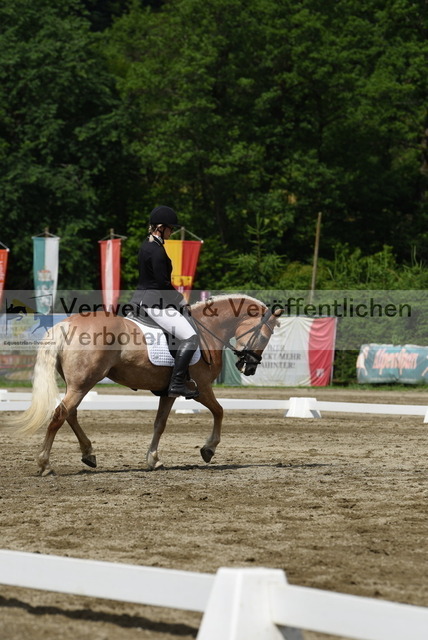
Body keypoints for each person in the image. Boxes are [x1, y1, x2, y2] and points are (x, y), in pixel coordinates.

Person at [130, 205, 199, 399]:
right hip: (154, 303)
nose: (172, 232)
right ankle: (177, 384)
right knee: (191, 338)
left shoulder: (146, 245)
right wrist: (180, 300)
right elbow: (162, 284)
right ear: (160, 227)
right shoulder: (157, 251)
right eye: (170, 228)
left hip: (139, 299)